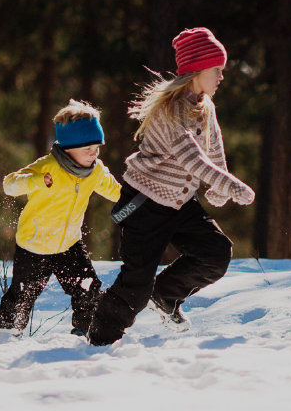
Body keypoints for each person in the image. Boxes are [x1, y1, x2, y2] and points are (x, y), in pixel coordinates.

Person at [86, 27, 256, 345]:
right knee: (136, 286)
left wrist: (220, 183)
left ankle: (165, 295)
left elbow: (214, 151)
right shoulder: (171, 109)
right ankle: (99, 339)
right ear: (197, 70)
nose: (221, 77)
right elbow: (192, 159)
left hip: (179, 203)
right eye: (217, 70)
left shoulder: (205, 105)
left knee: (215, 253)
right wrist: (231, 186)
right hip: (145, 203)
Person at [0, 99, 122, 336]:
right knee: (22, 296)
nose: (94, 154)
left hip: (69, 244)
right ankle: (1, 335)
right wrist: (38, 181)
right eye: (87, 150)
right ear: (69, 147)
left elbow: (116, 192)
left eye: (97, 148)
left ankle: (87, 333)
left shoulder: (96, 170)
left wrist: (137, 200)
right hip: (34, 245)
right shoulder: (48, 166)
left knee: (88, 287)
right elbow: (10, 184)